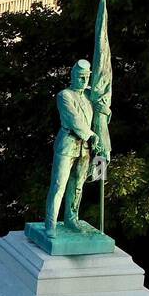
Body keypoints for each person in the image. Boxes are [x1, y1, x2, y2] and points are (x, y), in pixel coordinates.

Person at [42, 59, 103, 233]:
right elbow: (74, 119)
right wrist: (91, 135)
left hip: (85, 148)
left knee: (77, 185)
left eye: (86, 78)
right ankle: (51, 224)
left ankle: (71, 219)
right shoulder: (64, 95)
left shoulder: (89, 96)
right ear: (73, 76)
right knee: (59, 184)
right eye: (80, 77)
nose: (84, 81)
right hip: (68, 144)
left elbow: (102, 108)